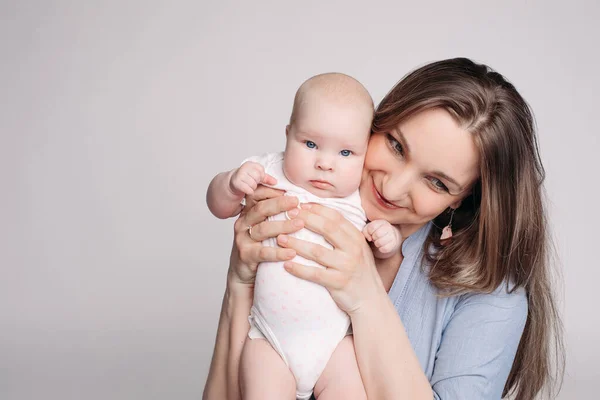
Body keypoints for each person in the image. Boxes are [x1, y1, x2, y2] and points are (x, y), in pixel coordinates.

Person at [203, 58, 565, 400]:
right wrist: (239, 284)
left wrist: (367, 298)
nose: (391, 189)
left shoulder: (491, 295)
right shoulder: (290, 209)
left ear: (463, 199)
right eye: (395, 146)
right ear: (377, 121)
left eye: (437, 182)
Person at [206, 73, 402, 399]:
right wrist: (229, 184)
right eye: (310, 144)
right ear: (288, 135)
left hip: (336, 344)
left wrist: (387, 238)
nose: (325, 163)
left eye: (346, 153)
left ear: (364, 153)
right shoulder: (268, 171)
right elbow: (218, 205)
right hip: (271, 340)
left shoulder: (357, 196)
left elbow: (377, 255)